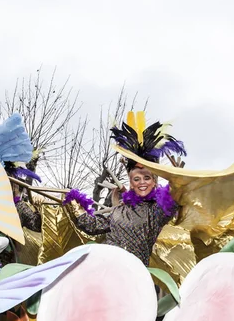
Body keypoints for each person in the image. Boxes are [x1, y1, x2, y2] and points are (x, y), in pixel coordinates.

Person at [63, 111, 186, 266]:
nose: (142, 182)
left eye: (147, 177)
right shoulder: (118, 211)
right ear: (131, 182)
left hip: (134, 274)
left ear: (154, 181)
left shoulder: (156, 212)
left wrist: (177, 182)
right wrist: (75, 203)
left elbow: (173, 201)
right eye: (137, 178)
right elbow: (92, 226)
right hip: (107, 269)